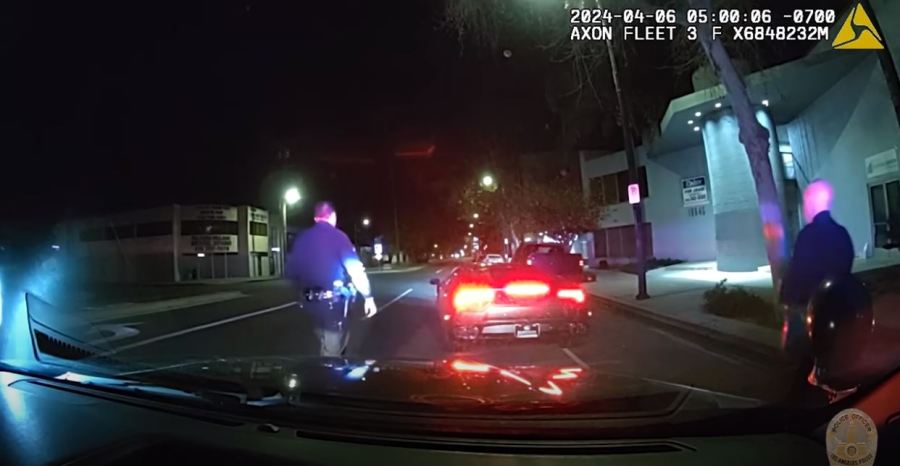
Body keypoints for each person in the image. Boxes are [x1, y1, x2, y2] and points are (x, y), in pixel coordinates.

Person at [780, 179, 855, 397]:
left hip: (811, 306)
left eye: (806, 200)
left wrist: (787, 298)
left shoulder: (809, 235)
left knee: (802, 355)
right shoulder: (841, 233)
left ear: (813, 202)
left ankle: (803, 398)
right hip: (837, 305)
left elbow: (798, 270)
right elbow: (845, 267)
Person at [285, 201, 377, 357]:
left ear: (316, 218)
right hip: (333, 305)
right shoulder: (339, 237)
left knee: (323, 339)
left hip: (309, 303)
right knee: (333, 349)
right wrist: (368, 297)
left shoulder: (302, 239)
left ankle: (324, 369)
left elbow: (291, 271)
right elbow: (355, 269)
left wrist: (300, 295)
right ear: (333, 216)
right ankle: (329, 377)